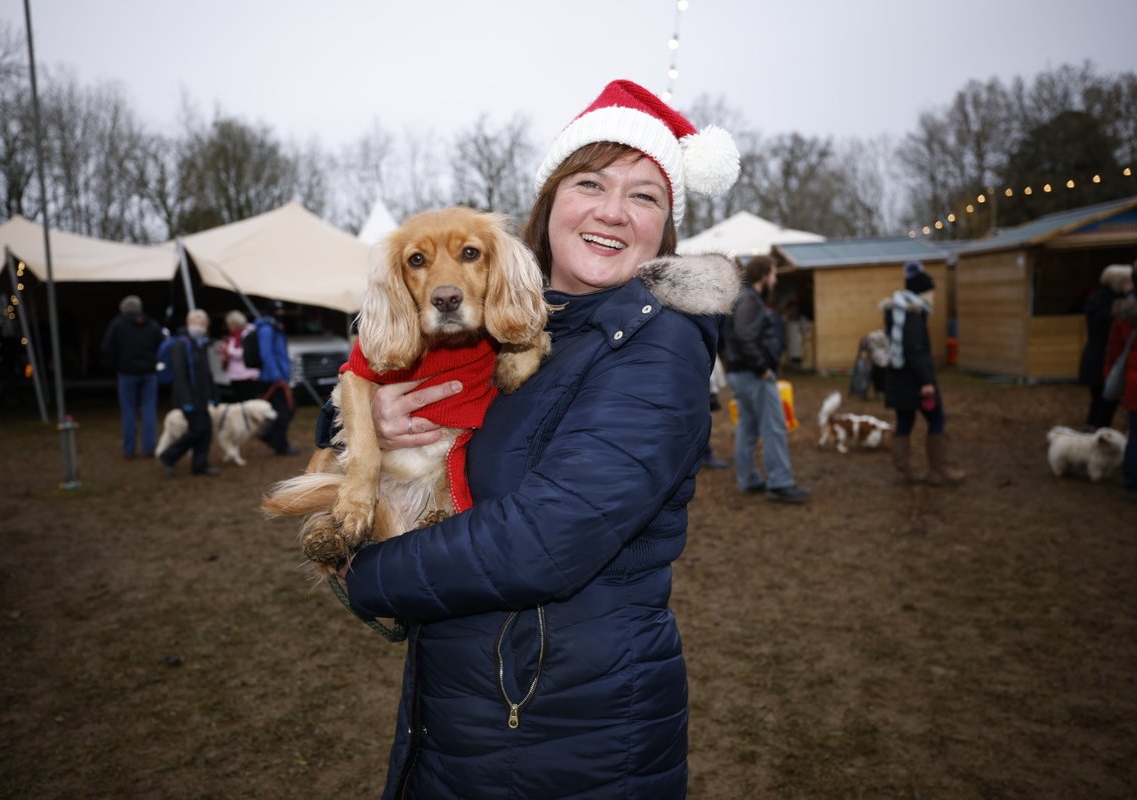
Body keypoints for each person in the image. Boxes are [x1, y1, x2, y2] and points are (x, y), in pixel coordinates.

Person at [331, 79, 740, 799]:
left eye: (645, 196)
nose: (613, 211)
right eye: (591, 183)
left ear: (665, 228)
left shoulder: (657, 345)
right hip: (472, 705)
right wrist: (376, 421)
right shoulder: (517, 322)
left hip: (566, 728)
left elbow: (544, 541)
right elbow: (387, 379)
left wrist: (363, 573)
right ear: (551, 202)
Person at [723, 254, 810, 502]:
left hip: (740, 373)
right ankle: (780, 483)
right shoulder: (750, 299)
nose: (775, 279)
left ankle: (748, 479)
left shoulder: (741, 297)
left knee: (748, 427)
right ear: (763, 274)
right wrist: (762, 368)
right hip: (753, 374)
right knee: (774, 428)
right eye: (773, 273)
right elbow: (744, 336)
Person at [884, 261, 964, 486]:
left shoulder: (897, 313)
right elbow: (916, 350)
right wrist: (926, 381)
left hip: (900, 380)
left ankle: (904, 471)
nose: (933, 297)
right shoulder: (913, 316)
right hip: (915, 381)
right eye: (930, 292)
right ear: (921, 292)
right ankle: (938, 471)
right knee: (936, 419)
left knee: (904, 422)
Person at [100, 295, 163, 458]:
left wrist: (117, 364)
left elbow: (106, 348)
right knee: (149, 409)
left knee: (128, 411)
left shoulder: (117, 324)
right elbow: (161, 345)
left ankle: (129, 450)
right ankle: (149, 447)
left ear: (123, 309)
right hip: (149, 373)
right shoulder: (152, 324)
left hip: (126, 373)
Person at [159, 309, 219, 476]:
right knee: (198, 429)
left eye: (202, 324)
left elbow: (207, 373)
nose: (198, 327)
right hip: (189, 398)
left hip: (201, 397)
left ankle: (200, 465)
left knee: (206, 431)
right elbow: (179, 375)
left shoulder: (201, 345)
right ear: (188, 324)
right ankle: (169, 455)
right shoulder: (180, 345)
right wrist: (186, 400)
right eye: (195, 323)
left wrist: (214, 394)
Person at [1078, 264, 1134, 431]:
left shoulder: (1095, 300)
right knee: (1106, 402)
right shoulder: (1117, 305)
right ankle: (1099, 433)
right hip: (1107, 357)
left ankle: (1092, 429)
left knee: (1098, 399)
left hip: (1093, 355)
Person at [1103, 288, 1137, 503]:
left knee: (1135, 435)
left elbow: (1113, 352)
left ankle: (1132, 481)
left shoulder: (1123, 314)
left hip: (1133, 384)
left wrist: (1111, 379)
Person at [253, 302, 299, 456]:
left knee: (287, 409)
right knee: (285, 410)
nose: (282, 313)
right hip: (273, 379)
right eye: (278, 310)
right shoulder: (267, 330)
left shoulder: (276, 328)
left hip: (280, 377)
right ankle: (278, 442)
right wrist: (277, 375)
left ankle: (272, 437)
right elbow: (266, 354)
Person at [217, 310, 262, 401]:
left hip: (247, 375)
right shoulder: (232, 336)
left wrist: (228, 351)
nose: (228, 327)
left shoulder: (248, 333)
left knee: (249, 402)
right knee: (240, 401)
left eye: (229, 324)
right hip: (235, 375)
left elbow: (246, 353)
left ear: (235, 323)